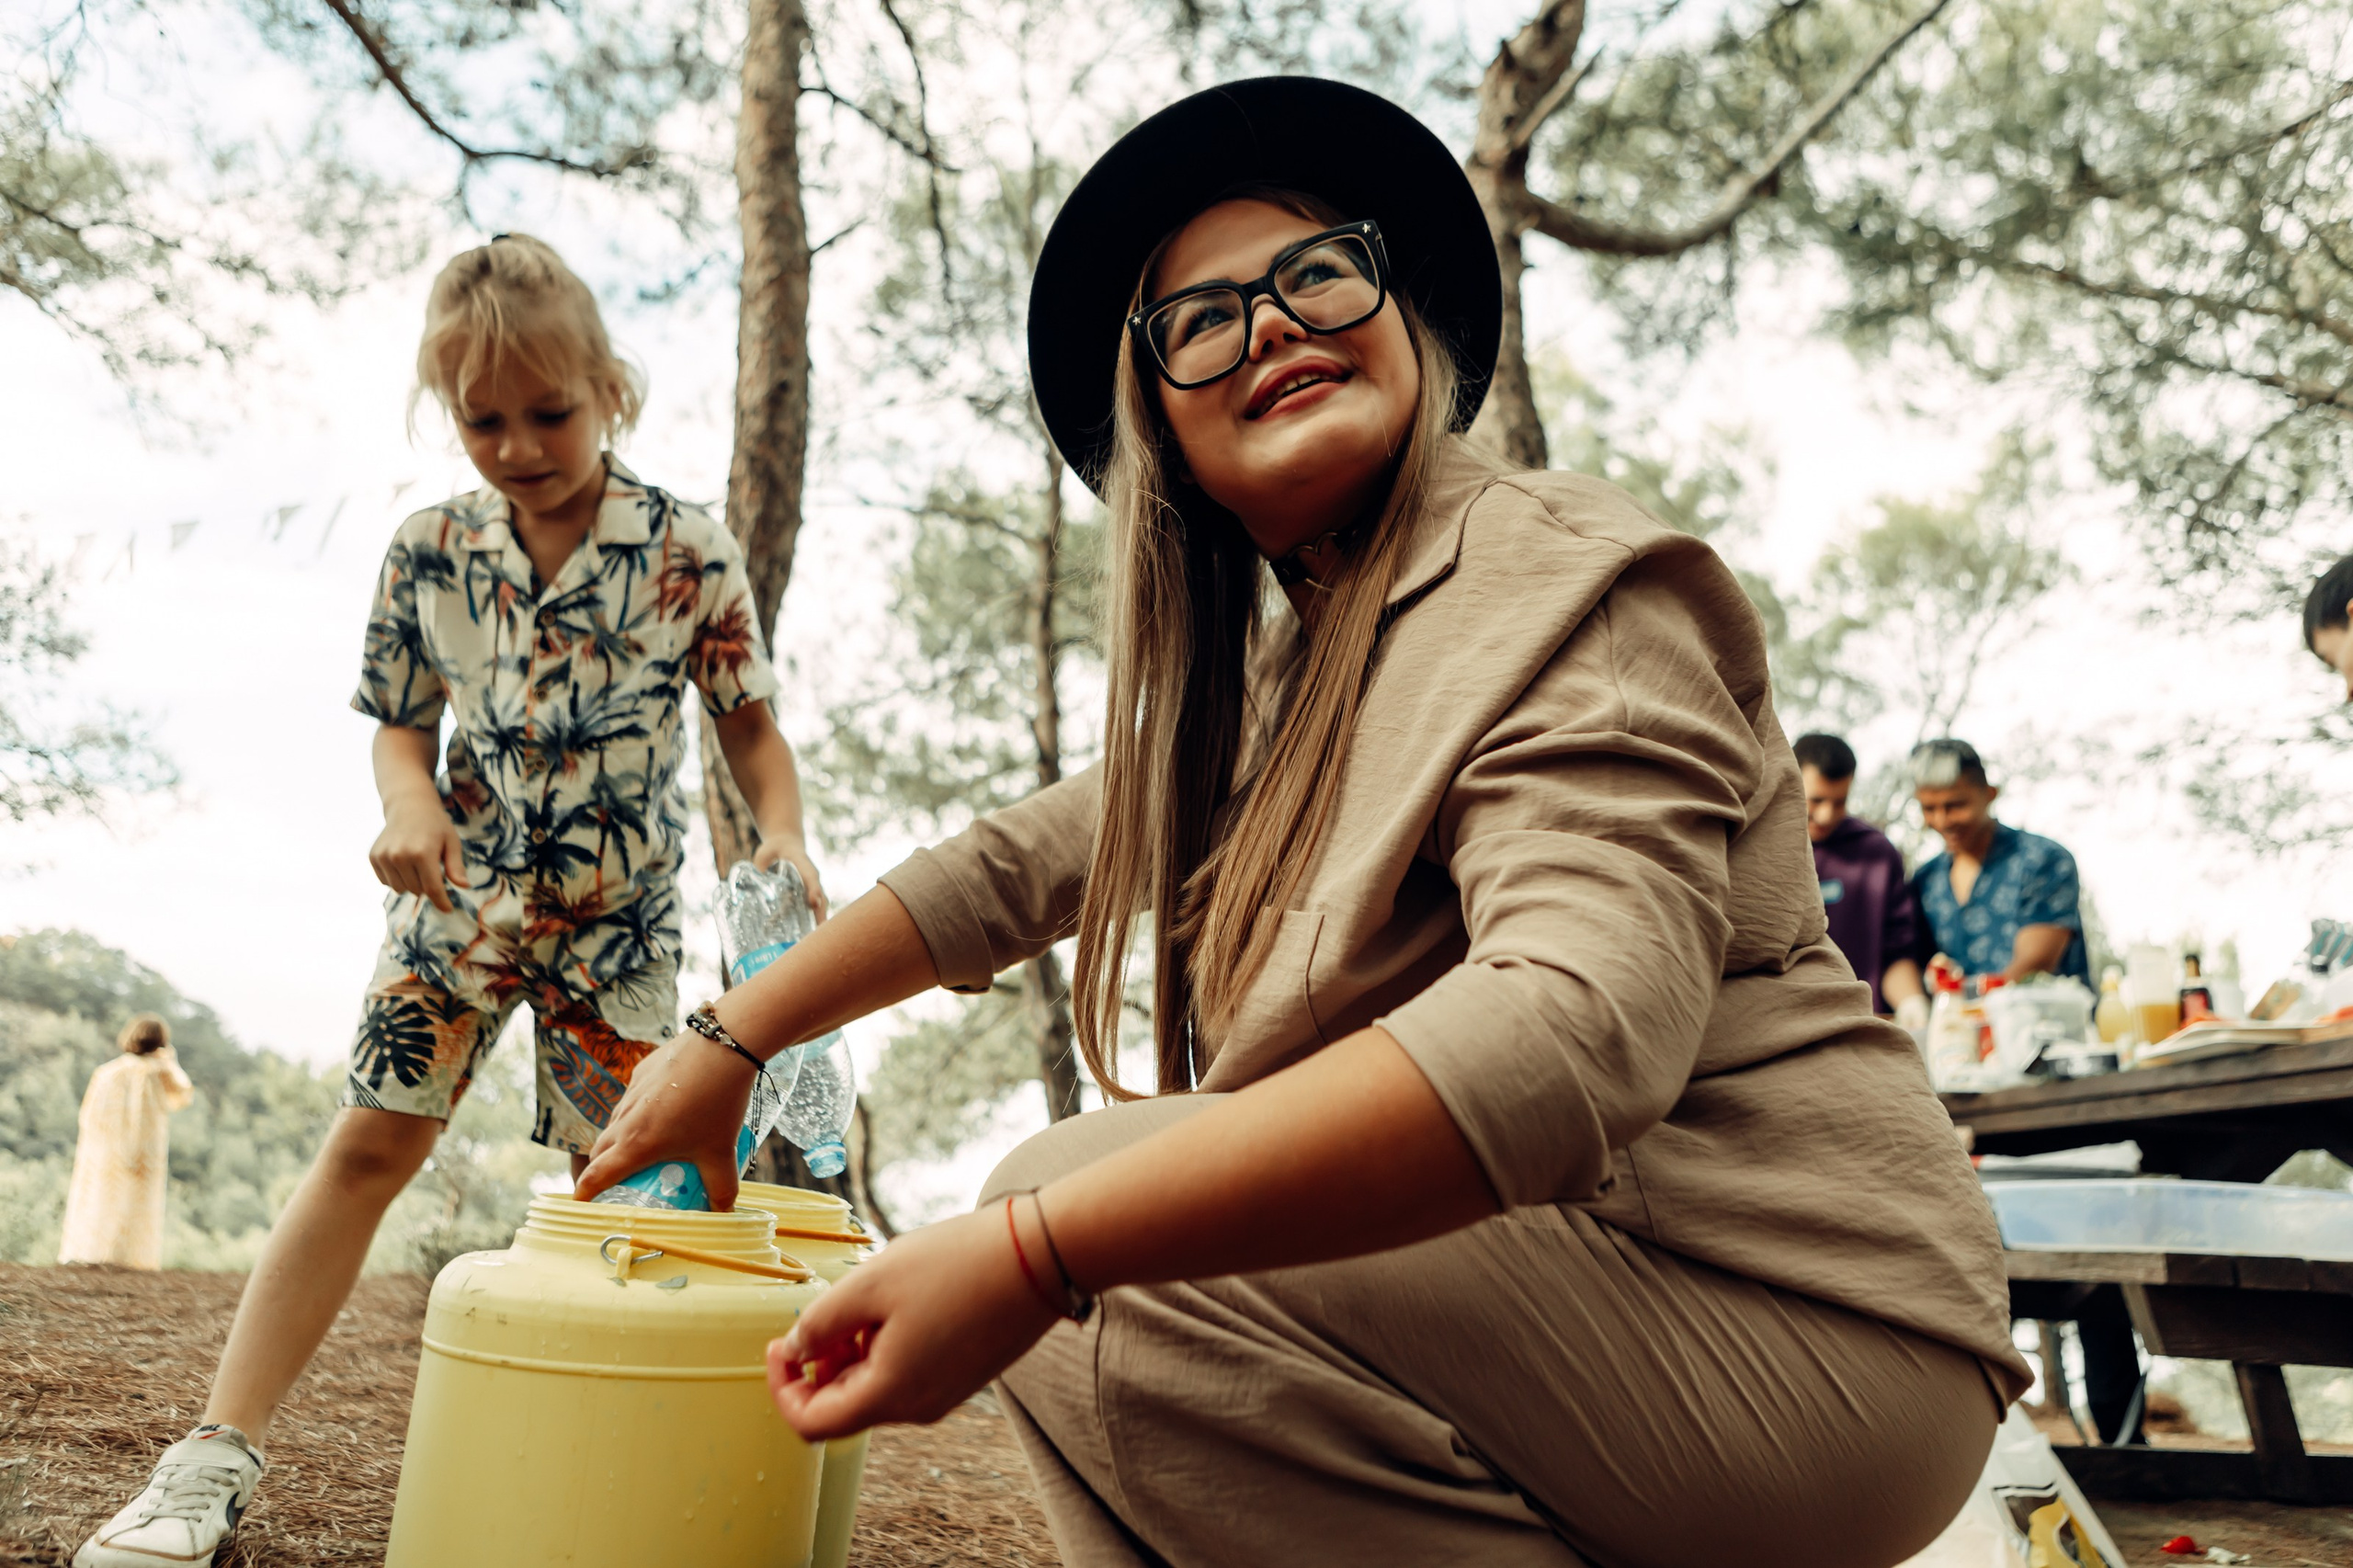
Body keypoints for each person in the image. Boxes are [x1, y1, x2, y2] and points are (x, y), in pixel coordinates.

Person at [580, 79, 2025, 1568]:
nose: (1270, 320)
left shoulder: (1560, 582)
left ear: (1408, 324)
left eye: (1318, 270)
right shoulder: (1300, 683)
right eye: (1200, 318)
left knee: (1083, 1227)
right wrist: (725, 1043)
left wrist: (1035, 1254)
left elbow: (1572, 1027)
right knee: (1109, 1290)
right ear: (1166, 439)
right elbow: (1017, 870)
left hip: (1806, 1325)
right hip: (1593, 1303)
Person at [76, 233, 826, 1568]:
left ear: (611, 389)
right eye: (484, 419)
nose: (519, 444)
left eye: (550, 412)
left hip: (621, 927)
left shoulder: (687, 550)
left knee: (636, 1190)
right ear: (449, 411)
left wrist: (782, 839)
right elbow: (398, 730)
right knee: (368, 1148)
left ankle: (648, 1481)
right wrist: (406, 805)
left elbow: (752, 732)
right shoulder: (426, 551)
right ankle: (212, 1457)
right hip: (459, 909)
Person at [1907, 738, 2089, 986]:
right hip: (1955, 1023)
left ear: (1990, 794)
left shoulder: (2043, 859)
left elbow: (2035, 963)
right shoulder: (1925, 880)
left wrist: (1969, 1008)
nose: (1942, 821)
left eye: (1956, 805)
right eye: (1929, 808)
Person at [1793, 733, 1927, 1027]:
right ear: (1789, 781)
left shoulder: (1876, 853)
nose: (1827, 815)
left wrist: (1911, 1003)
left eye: (1839, 802)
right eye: (1815, 801)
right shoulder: (1763, 847)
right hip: (1787, 1020)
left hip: (1862, 1023)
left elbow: (1896, 951)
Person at [57, 1015, 195, 1270]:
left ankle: (91, 1253)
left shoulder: (106, 1072)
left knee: (101, 1197)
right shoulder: (159, 1071)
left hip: (103, 1150)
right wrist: (171, 1061)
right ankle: (133, 1259)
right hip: (145, 1150)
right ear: (161, 1042)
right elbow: (184, 1093)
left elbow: (86, 1117)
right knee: (137, 1202)